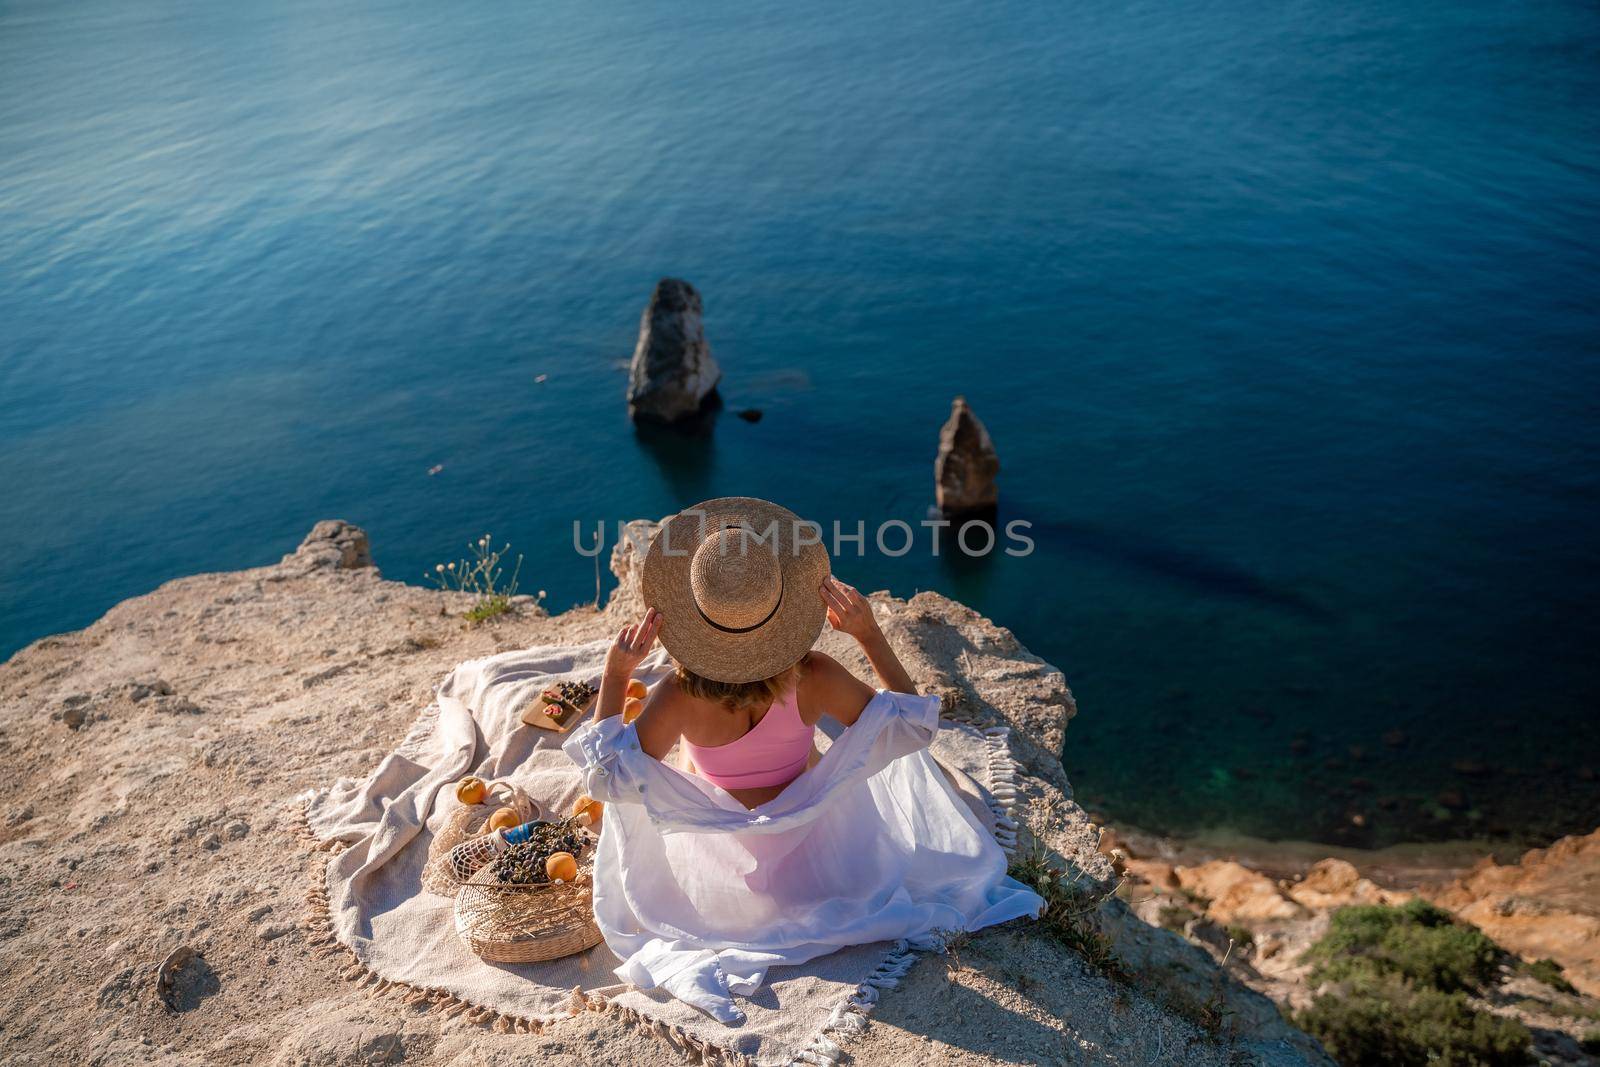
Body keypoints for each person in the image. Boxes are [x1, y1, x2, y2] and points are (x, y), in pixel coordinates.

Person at [563, 496, 1041, 1022]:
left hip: (724, 877)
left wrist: (615, 676)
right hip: (824, 862)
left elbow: (606, 774)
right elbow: (911, 724)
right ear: (781, 607)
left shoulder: (677, 696)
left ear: (695, 614)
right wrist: (869, 633)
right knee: (828, 756)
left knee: (664, 777)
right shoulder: (814, 676)